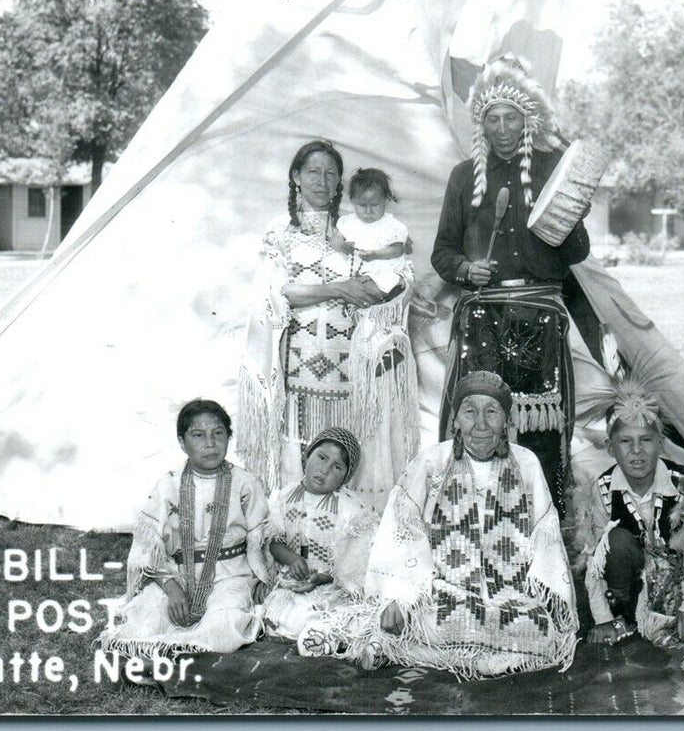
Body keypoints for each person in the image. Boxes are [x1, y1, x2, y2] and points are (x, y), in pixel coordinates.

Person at [298, 372, 578, 679]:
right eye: (470, 412)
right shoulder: (431, 461)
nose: (481, 425)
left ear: (506, 420)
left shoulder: (527, 464)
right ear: (456, 418)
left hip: (508, 597)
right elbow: (401, 531)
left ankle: (406, 649)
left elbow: (546, 536)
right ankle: (469, 657)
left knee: (543, 634)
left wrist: (550, 596)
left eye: (492, 412)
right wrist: (400, 597)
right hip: (437, 594)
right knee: (427, 620)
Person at [431, 53, 599, 517]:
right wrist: (467, 270)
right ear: (480, 124)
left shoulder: (552, 168)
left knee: (541, 426)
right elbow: (441, 253)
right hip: (484, 318)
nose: (502, 128)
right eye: (493, 119)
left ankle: (541, 524)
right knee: (480, 420)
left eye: (512, 118)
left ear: (528, 120)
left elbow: (576, 255)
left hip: (540, 318)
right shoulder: (464, 177)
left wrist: (573, 217)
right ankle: (472, 520)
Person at [239, 141, 419, 512]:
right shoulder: (281, 232)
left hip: (351, 370)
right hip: (298, 367)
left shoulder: (356, 229)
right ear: (296, 177)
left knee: (349, 454)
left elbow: (398, 276)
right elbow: (275, 292)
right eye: (313, 172)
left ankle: (346, 542)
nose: (322, 181)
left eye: (331, 173)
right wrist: (339, 289)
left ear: (340, 183)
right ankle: (293, 538)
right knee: (300, 454)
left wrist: (390, 286)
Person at [98, 399, 270, 658]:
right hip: (176, 574)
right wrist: (170, 587)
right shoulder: (168, 485)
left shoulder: (245, 483)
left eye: (218, 433)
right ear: (182, 442)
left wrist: (262, 580)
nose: (210, 443)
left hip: (231, 575)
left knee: (226, 624)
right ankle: (174, 651)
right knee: (146, 621)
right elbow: (148, 548)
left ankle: (184, 652)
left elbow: (261, 536)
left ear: (229, 437)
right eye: (198, 435)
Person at [576, 377, 684, 649]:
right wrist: (602, 619)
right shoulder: (600, 491)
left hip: (678, 583)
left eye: (645, 440)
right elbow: (594, 565)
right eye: (625, 441)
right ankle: (623, 618)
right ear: (611, 447)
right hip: (631, 585)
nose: (636, 451)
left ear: (660, 443)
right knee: (617, 541)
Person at [263, 427, 381, 641]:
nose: (325, 469)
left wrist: (321, 578)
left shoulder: (350, 510)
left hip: (330, 587)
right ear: (307, 456)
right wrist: (293, 559)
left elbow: (355, 566)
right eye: (322, 457)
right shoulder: (286, 495)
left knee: (330, 617)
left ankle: (325, 633)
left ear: (346, 477)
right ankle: (319, 636)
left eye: (337, 467)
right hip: (292, 584)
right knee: (276, 617)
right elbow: (274, 541)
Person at [334, 168, 411, 296]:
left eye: (375, 205)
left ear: (386, 200)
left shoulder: (392, 225)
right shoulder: (348, 222)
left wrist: (375, 254)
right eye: (362, 205)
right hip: (353, 270)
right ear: (353, 201)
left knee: (384, 284)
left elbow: (397, 250)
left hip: (382, 268)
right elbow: (334, 240)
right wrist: (341, 245)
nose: (368, 211)